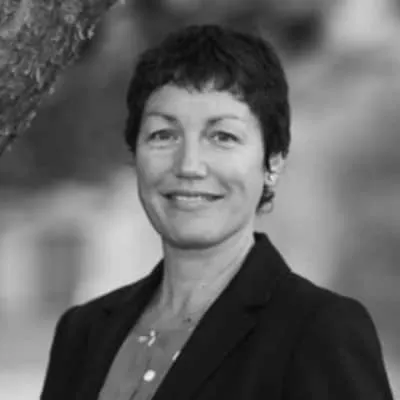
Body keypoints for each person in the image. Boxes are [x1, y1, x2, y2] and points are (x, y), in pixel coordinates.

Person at [40, 24, 394, 400]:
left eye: (223, 136)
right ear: (135, 154)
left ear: (273, 161)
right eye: (163, 135)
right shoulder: (82, 332)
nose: (189, 165)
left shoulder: (318, 330)